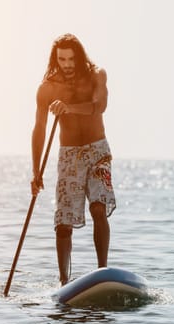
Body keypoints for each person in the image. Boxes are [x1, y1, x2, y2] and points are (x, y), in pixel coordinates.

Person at [31, 33, 116, 285]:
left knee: (98, 207)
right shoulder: (47, 88)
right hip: (68, 156)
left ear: (79, 57)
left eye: (70, 59)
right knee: (63, 223)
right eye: (61, 59)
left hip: (98, 151)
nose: (66, 64)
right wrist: (36, 172)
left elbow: (99, 106)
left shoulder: (96, 75)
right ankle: (64, 283)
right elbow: (39, 128)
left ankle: (102, 272)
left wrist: (68, 107)